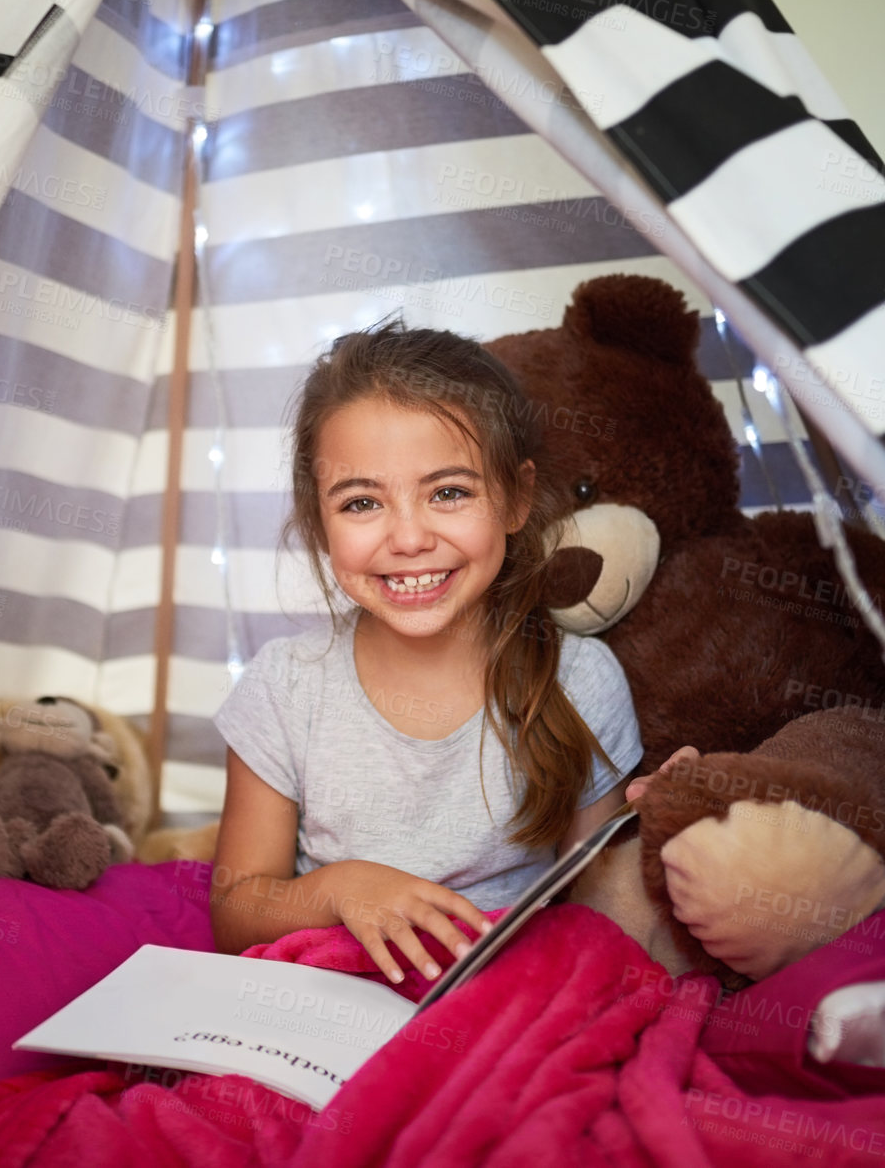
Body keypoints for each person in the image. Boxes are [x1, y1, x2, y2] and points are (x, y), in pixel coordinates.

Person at [209, 320, 648, 985]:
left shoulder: (580, 678)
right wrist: (340, 887)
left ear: (515, 498)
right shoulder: (283, 686)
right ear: (319, 523)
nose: (408, 537)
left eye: (448, 492)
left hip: (502, 995)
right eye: (362, 502)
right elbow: (236, 908)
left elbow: (598, 906)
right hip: (330, 997)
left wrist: (666, 824)